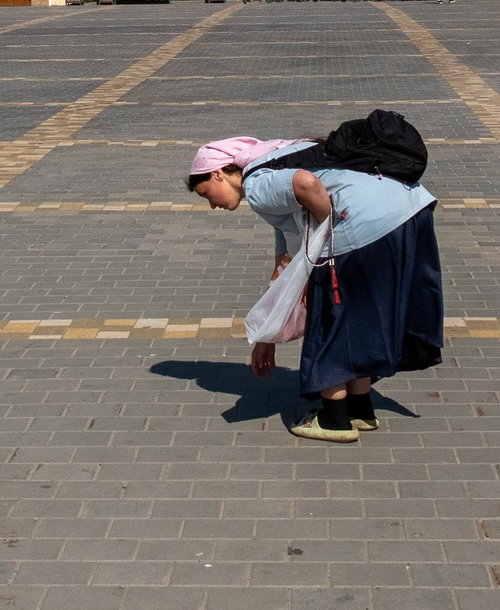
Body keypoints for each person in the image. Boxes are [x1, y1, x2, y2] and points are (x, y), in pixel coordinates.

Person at [188, 116, 443, 444]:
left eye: (205, 192)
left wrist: (329, 232)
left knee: (328, 318)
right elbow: (286, 264)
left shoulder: (257, 184)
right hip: (410, 211)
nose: (211, 205)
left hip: (365, 225)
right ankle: (361, 410)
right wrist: (268, 337)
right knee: (358, 317)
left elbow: (306, 185)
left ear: (218, 173)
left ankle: (334, 420)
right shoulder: (280, 154)